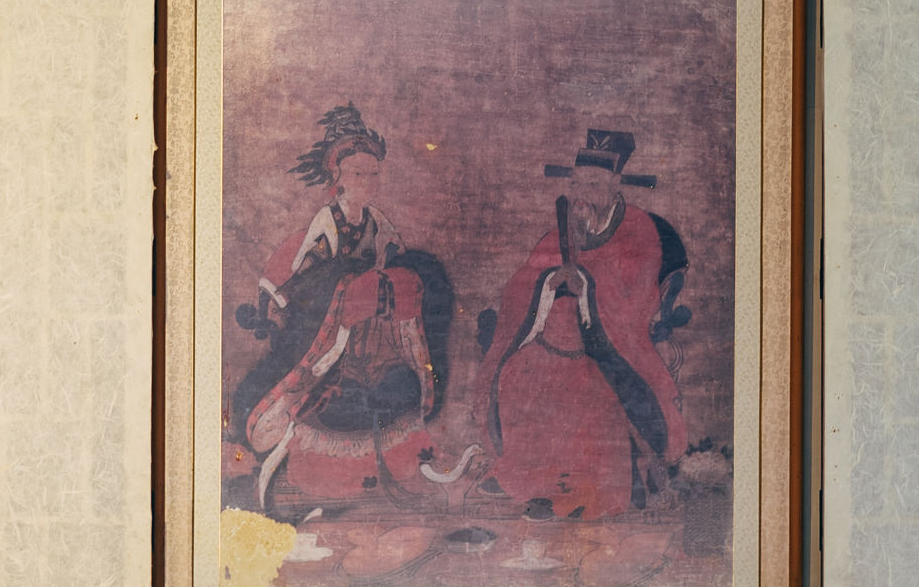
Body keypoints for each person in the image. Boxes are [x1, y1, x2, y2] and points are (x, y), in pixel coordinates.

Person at [232, 103, 453, 513]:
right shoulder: (327, 222)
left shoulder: (378, 221)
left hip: (368, 332)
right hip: (323, 331)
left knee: (394, 388)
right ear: (337, 178)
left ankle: (394, 469)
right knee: (321, 400)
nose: (367, 182)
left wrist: (388, 286)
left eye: (373, 174)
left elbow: (398, 265)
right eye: (357, 174)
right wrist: (348, 285)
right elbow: (306, 282)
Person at [470, 129, 691, 521]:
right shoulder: (560, 232)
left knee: (585, 388)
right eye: (577, 183)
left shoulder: (638, 229)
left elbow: (638, 301)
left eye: (592, 184)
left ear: (615, 185)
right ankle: (531, 482)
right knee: (518, 374)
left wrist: (587, 285)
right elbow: (522, 285)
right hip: (555, 344)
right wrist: (548, 283)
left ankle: (588, 488)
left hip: (613, 349)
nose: (581, 194)